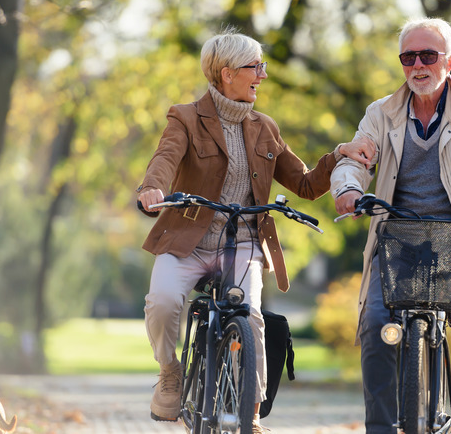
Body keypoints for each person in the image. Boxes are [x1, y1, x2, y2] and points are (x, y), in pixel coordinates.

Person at [136, 27, 374, 432]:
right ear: (227, 73)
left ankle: (250, 410)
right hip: (186, 244)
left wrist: (339, 155)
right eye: (255, 67)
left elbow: (304, 183)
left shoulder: (265, 127)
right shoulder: (186, 118)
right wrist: (152, 188)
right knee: (161, 302)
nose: (262, 75)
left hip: (243, 242)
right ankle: (170, 373)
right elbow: (165, 157)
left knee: (251, 318)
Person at [331, 17, 451, 432]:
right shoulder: (380, 113)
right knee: (377, 324)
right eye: (408, 57)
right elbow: (355, 159)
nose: (418, 65)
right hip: (397, 238)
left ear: (448, 61)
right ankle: (381, 428)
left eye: (428, 56)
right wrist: (347, 188)